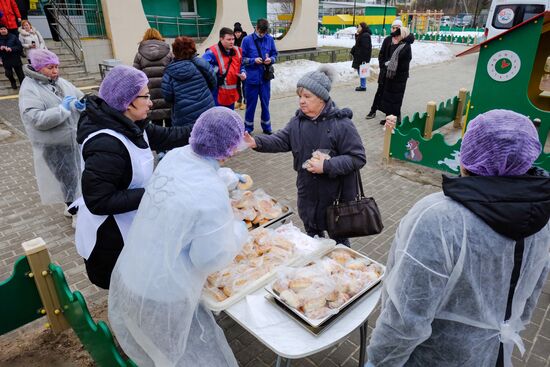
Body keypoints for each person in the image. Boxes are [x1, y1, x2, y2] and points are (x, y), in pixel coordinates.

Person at [366, 110, 550, 367]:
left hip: (432, 358)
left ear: (468, 158)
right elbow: (529, 297)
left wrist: (378, 361)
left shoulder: (440, 218)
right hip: (493, 354)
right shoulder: (544, 217)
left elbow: (406, 316)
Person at [108, 107, 248, 367]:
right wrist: (238, 231)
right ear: (229, 150)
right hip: (164, 290)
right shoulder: (211, 195)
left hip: (134, 269)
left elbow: (189, 180)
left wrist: (225, 179)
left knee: (149, 345)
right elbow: (207, 258)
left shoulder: (174, 156)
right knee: (180, 354)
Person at [75, 65, 193, 289]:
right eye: (145, 97)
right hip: (110, 237)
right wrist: (153, 193)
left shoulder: (133, 125)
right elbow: (98, 200)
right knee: (124, 288)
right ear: (127, 102)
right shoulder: (106, 144)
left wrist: (207, 130)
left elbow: (170, 136)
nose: (151, 102)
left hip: (131, 224)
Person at [244, 66, 366, 246]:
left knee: (339, 245)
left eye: (307, 97)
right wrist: (256, 142)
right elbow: (281, 140)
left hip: (335, 200)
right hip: (307, 195)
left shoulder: (341, 124)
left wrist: (327, 165)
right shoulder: (297, 122)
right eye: (300, 96)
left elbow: (358, 157)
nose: (301, 101)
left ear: (322, 99)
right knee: (312, 239)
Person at [19, 49, 83, 226]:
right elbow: (35, 118)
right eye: (50, 67)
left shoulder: (59, 82)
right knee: (67, 177)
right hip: (53, 143)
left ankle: (71, 206)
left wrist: (81, 104)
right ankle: (75, 212)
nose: (55, 71)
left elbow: (78, 95)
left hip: (71, 139)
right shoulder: (30, 89)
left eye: (56, 67)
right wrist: (62, 110)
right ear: (38, 68)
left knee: (74, 176)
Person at [161, 36, 216, 127]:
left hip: (183, 117)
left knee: (187, 140)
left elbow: (167, 97)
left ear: (175, 51)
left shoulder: (169, 71)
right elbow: (213, 82)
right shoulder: (201, 64)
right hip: (206, 111)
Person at [241, 18, 278, 134]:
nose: (262, 35)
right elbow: (241, 59)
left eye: (264, 33)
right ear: (256, 28)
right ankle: (248, 128)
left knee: (265, 104)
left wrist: (270, 59)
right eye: (261, 32)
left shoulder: (269, 39)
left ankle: (267, 127)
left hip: (265, 79)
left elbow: (275, 54)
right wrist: (253, 60)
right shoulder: (246, 40)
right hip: (251, 79)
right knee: (250, 105)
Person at [133, 28, 172, 128]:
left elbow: (136, 76)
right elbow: (173, 71)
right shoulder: (168, 53)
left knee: (156, 125)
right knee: (170, 124)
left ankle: (159, 143)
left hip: (150, 93)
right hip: (167, 91)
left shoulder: (139, 54)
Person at [366, 19, 401, 120]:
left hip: (394, 74)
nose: (394, 30)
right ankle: (373, 110)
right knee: (380, 92)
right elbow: (381, 54)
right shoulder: (388, 39)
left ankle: (390, 116)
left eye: (397, 28)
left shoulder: (402, 41)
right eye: (393, 27)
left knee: (391, 95)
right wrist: (383, 65)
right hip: (384, 72)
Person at [203, 27, 246, 110]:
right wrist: (218, 70)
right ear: (221, 39)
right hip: (217, 93)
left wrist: (243, 72)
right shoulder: (212, 51)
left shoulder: (237, 50)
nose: (232, 42)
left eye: (233, 39)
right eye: (229, 39)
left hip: (231, 94)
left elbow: (241, 65)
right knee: (218, 119)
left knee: (228, 119)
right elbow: (203, 66)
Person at [0, 22, 23, 89]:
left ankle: (23, 86)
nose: (3, 30)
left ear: (7, 29)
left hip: (15, 57)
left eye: (4, 29)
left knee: (20, 74)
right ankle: (13, 82)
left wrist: (11, 49)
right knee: (8, 74)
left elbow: (19, 47)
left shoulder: (13, 36)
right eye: (1, 29)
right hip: (5, 59)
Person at [351, 22, 372, 92]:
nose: (358, 28)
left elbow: (365, 48)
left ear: (362, 28)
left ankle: (363, 86)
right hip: (360, 56)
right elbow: (358, 44)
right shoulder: (362, 35)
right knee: (360, 71)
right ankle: (362, 85)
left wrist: (364, 59)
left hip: (362, 57)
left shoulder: (365, 35)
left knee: (362, 71)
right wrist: (357, 36)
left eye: (359, 27)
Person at [234, 22, 247, 110]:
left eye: (239, 32)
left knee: (245, 85)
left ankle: (246, 102)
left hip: (244, 65)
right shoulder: (233, 40)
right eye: (236, 32)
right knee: (237, 84)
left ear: (241, 32)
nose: (237, 34)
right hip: (235, 65)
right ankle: (239, 100)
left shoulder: (245, 40)